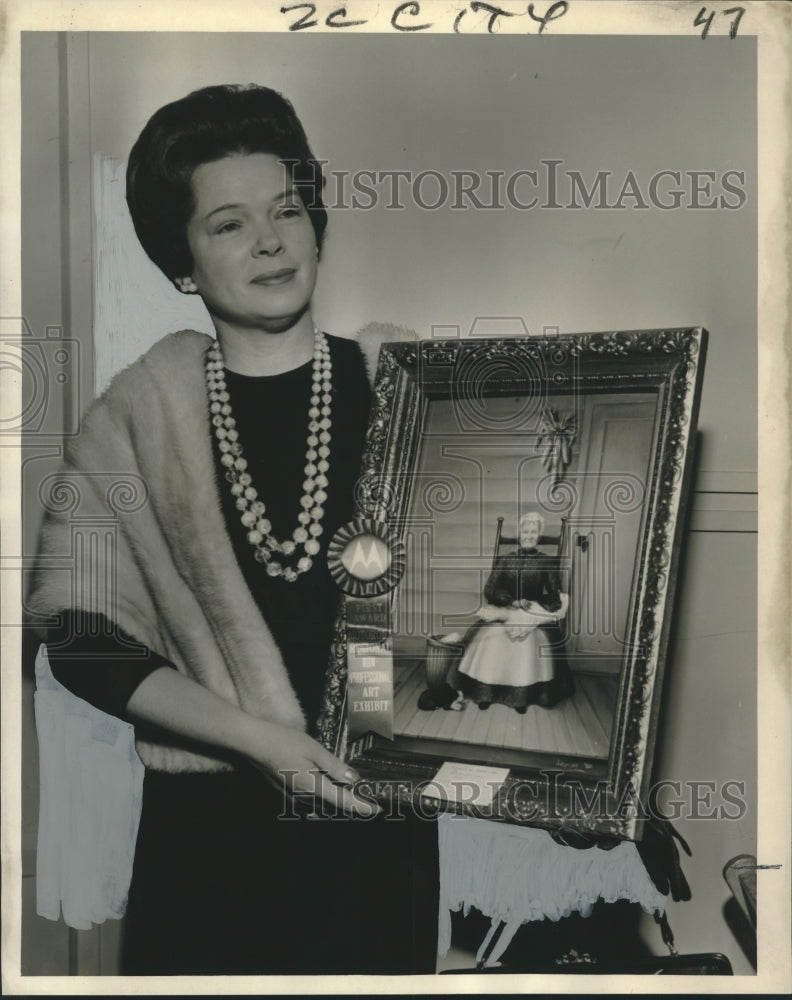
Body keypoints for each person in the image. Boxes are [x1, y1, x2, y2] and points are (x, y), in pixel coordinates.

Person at [28, 84, 438, 976]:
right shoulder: (135, 419)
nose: (269, 241)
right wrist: (262, 744)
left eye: (288, 210)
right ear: (182, 262)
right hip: (211, 846)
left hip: (380, 839)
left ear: (316, 225)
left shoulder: (412, 390)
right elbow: (80, 639)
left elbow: (488, 614)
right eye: (227, 224)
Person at [454, 511, 575, 712]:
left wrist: (533, 607)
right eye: (525, 531)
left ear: (539, 535)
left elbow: (554, 596)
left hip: (529, 615)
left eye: (533, 532)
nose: (528, 535)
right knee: (492, 636)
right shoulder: (506, 560)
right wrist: (512, 601)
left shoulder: (546, 562)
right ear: (520, 533)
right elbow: (490, 590)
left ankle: (520, 696)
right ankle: (485, 693)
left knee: (527, 641)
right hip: (504, 610)